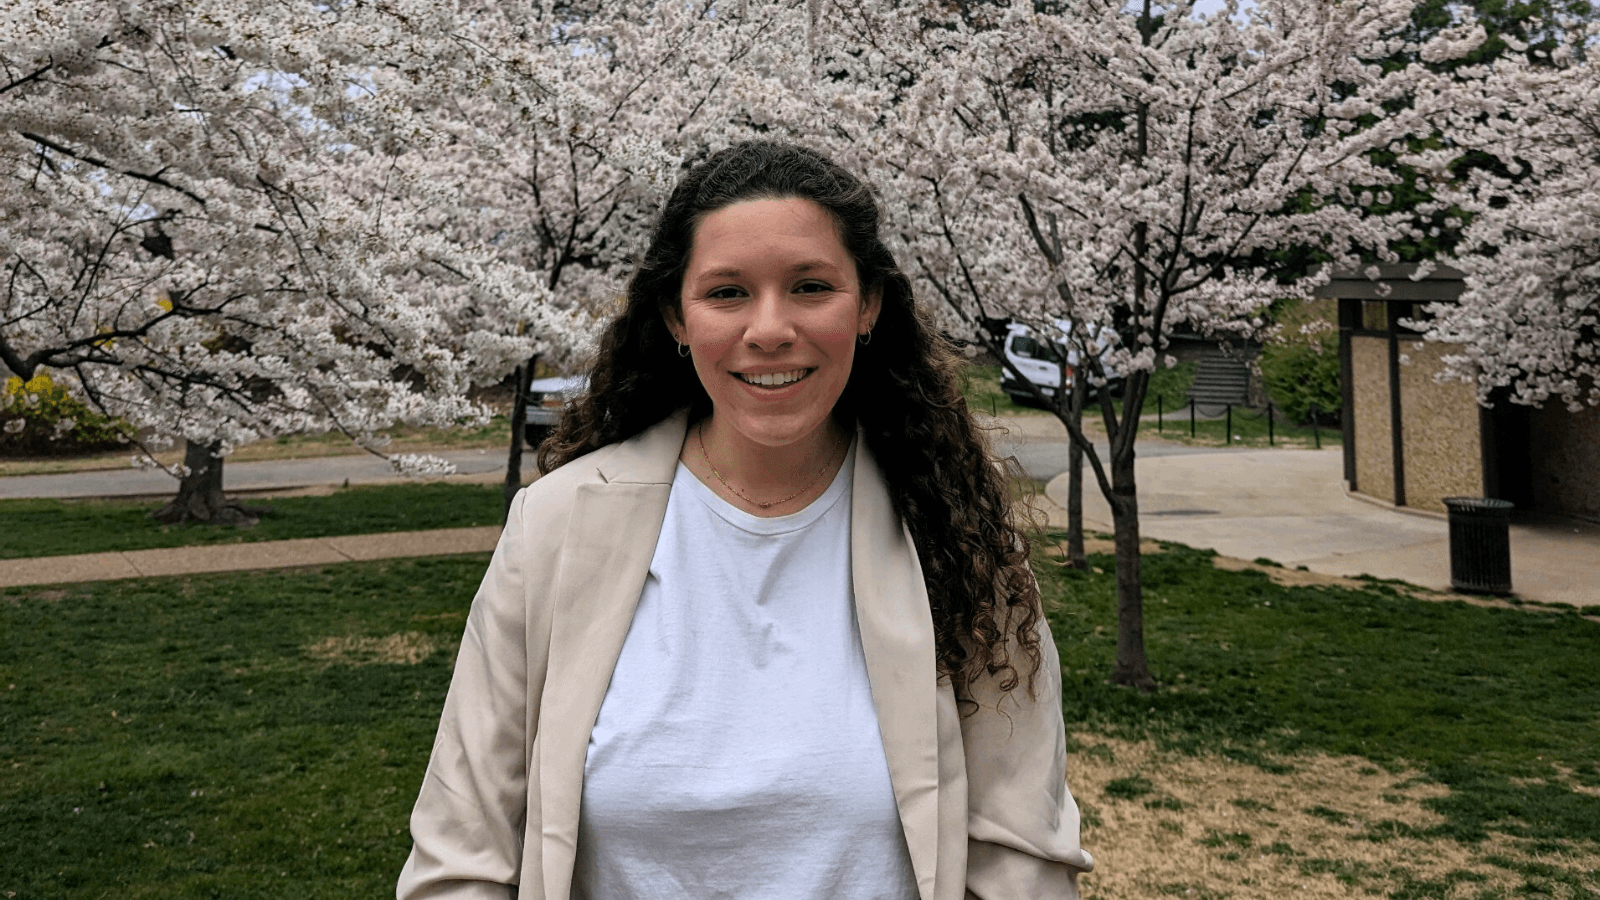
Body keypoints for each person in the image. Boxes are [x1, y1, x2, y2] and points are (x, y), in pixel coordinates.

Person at [397, 141, 1094, 900]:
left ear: (867, 306)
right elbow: (460, 856)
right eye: (727, 292)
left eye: (810, 286)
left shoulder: (956, 536)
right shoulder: (556, 526)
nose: (769, 328)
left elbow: (1020, 861)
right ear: (676, 316)